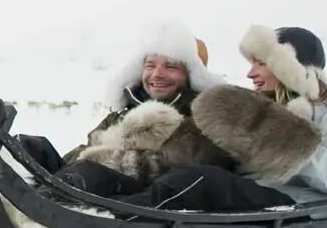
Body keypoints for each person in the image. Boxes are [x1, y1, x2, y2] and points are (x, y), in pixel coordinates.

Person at [123, 26, 327, 211]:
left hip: (298, 211)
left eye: (261, 63)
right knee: (186, 176)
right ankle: (98, 206)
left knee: (201, 181)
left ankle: (118, 219)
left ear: (287, 66)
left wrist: (275, 135)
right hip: (253, 203)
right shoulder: (262, 105)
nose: (250, 73)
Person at [12, 22, 224, 194]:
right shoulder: (121, 114)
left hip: (132, 203)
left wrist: (94, 162)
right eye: (150, 65)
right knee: (28, 146)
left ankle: (38, 205)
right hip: (84, 184)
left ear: (192, 75)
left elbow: (172, 167)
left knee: (86, 172)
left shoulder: (201, 121)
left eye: (171, 67)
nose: (157, 74)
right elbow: (82, 154)